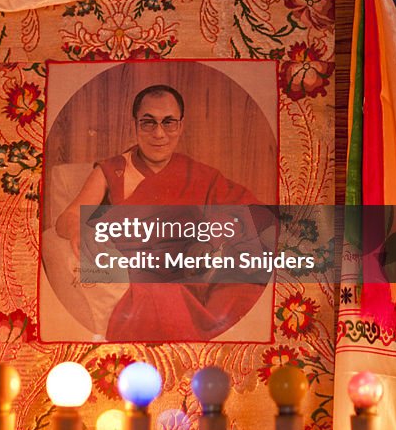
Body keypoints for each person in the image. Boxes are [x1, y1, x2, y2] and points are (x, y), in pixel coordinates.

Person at [55, 84, 271, 341]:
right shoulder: (112, 170)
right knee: (164, 301)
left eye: (169, 122)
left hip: (197, 271)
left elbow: (252, 212)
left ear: (180, 125)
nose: (159, 133)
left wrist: (211, 238)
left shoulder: (200, 174)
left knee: (247, 280)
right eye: (148, 123)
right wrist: (81, 230)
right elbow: (67, 218)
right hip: (148, 279)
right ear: (135, 124)